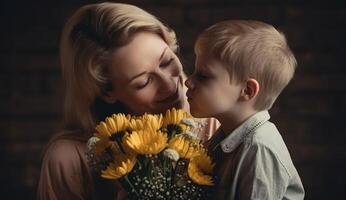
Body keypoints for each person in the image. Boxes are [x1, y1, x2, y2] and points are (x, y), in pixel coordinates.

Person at [37, 2, 219, 200]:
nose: (169, 84)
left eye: (167, 61)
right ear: (106, 92)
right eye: (144, 82)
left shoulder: (223, 124)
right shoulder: (71, 159)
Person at [185, 20, 305, 199]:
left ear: (247, 90)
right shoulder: (223, 136)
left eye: (203, 76)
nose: (188, 81)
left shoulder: (259, 149)